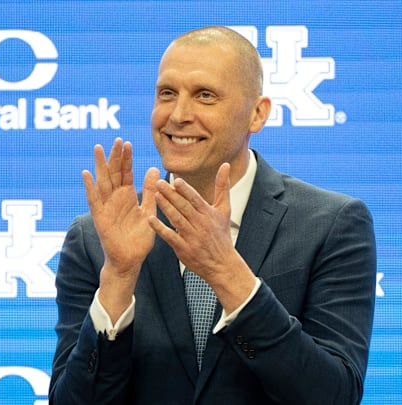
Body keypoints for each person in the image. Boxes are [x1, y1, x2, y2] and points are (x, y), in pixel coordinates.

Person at [49, 26, 376, 404]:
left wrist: (226, 273)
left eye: (205, 96)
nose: (179, 115)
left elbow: (334, 395)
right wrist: (119, 278)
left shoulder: (331, 224)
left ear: (257, 114)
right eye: (166, 94)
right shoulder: (95, 238)